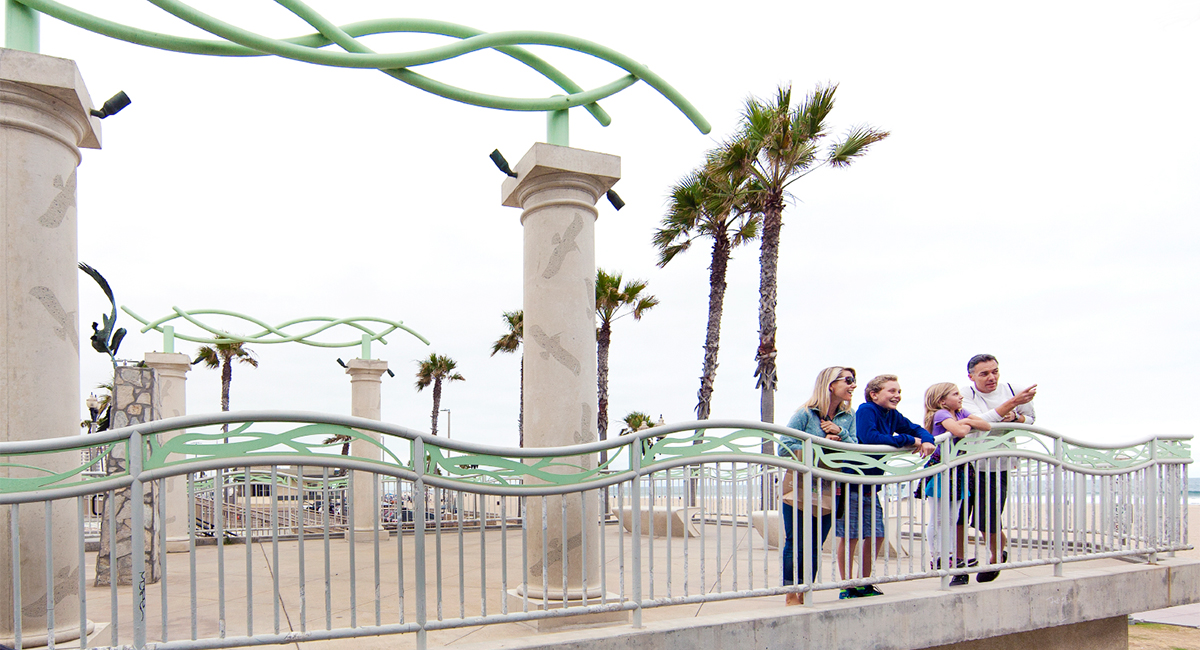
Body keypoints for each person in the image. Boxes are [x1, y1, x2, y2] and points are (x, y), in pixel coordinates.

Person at [838, 374, 935, 599]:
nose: (897, 396)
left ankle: (864, 582)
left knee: (876, 534)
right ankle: (846, 584)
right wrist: (907, 441)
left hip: (872, 484)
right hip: (853, 480)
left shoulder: (892, 415)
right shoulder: (866, 410)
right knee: (851, 536)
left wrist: (926, 439)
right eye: (892, 391)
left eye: (899, 391)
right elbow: (869, 438)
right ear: (874, 394)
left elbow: (916, 428)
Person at [779, 366, 856, 605]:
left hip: (831, 489)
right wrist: (821, 444)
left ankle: (806, 591)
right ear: (830, 384)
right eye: (849, 380)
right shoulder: (805, 414)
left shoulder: (848, 417)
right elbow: (784, 448)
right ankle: (791, 594)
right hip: (800, 488)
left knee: (815, 543)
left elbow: (857, 449)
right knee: (796, 540)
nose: (853, 385)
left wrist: (840, 434)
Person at [959, 353, 1037, 582]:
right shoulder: (966, 394)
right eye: (984, 373)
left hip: (999, 463)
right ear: (971, 376)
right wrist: (1011, 407)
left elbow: (1031, 419)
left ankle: (995, 558)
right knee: (961, 516)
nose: (991, 377)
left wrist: (1015, 417)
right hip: (969, 462)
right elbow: (981, 420)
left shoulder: (1014, 389)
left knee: (989, 517)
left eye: (995, 371)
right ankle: (960, 564)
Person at [921, 382, 990, 586]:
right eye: (955, 394)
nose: (960, 397)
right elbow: (959, 432)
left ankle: (950, 554)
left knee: (953, 517)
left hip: (958, 470)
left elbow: (986, 426)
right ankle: (937, 556)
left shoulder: (961, 413)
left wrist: (966, 420)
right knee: (939, 517)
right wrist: (968, 423)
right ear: (942, 400)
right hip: (942, 470)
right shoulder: (941, 414)